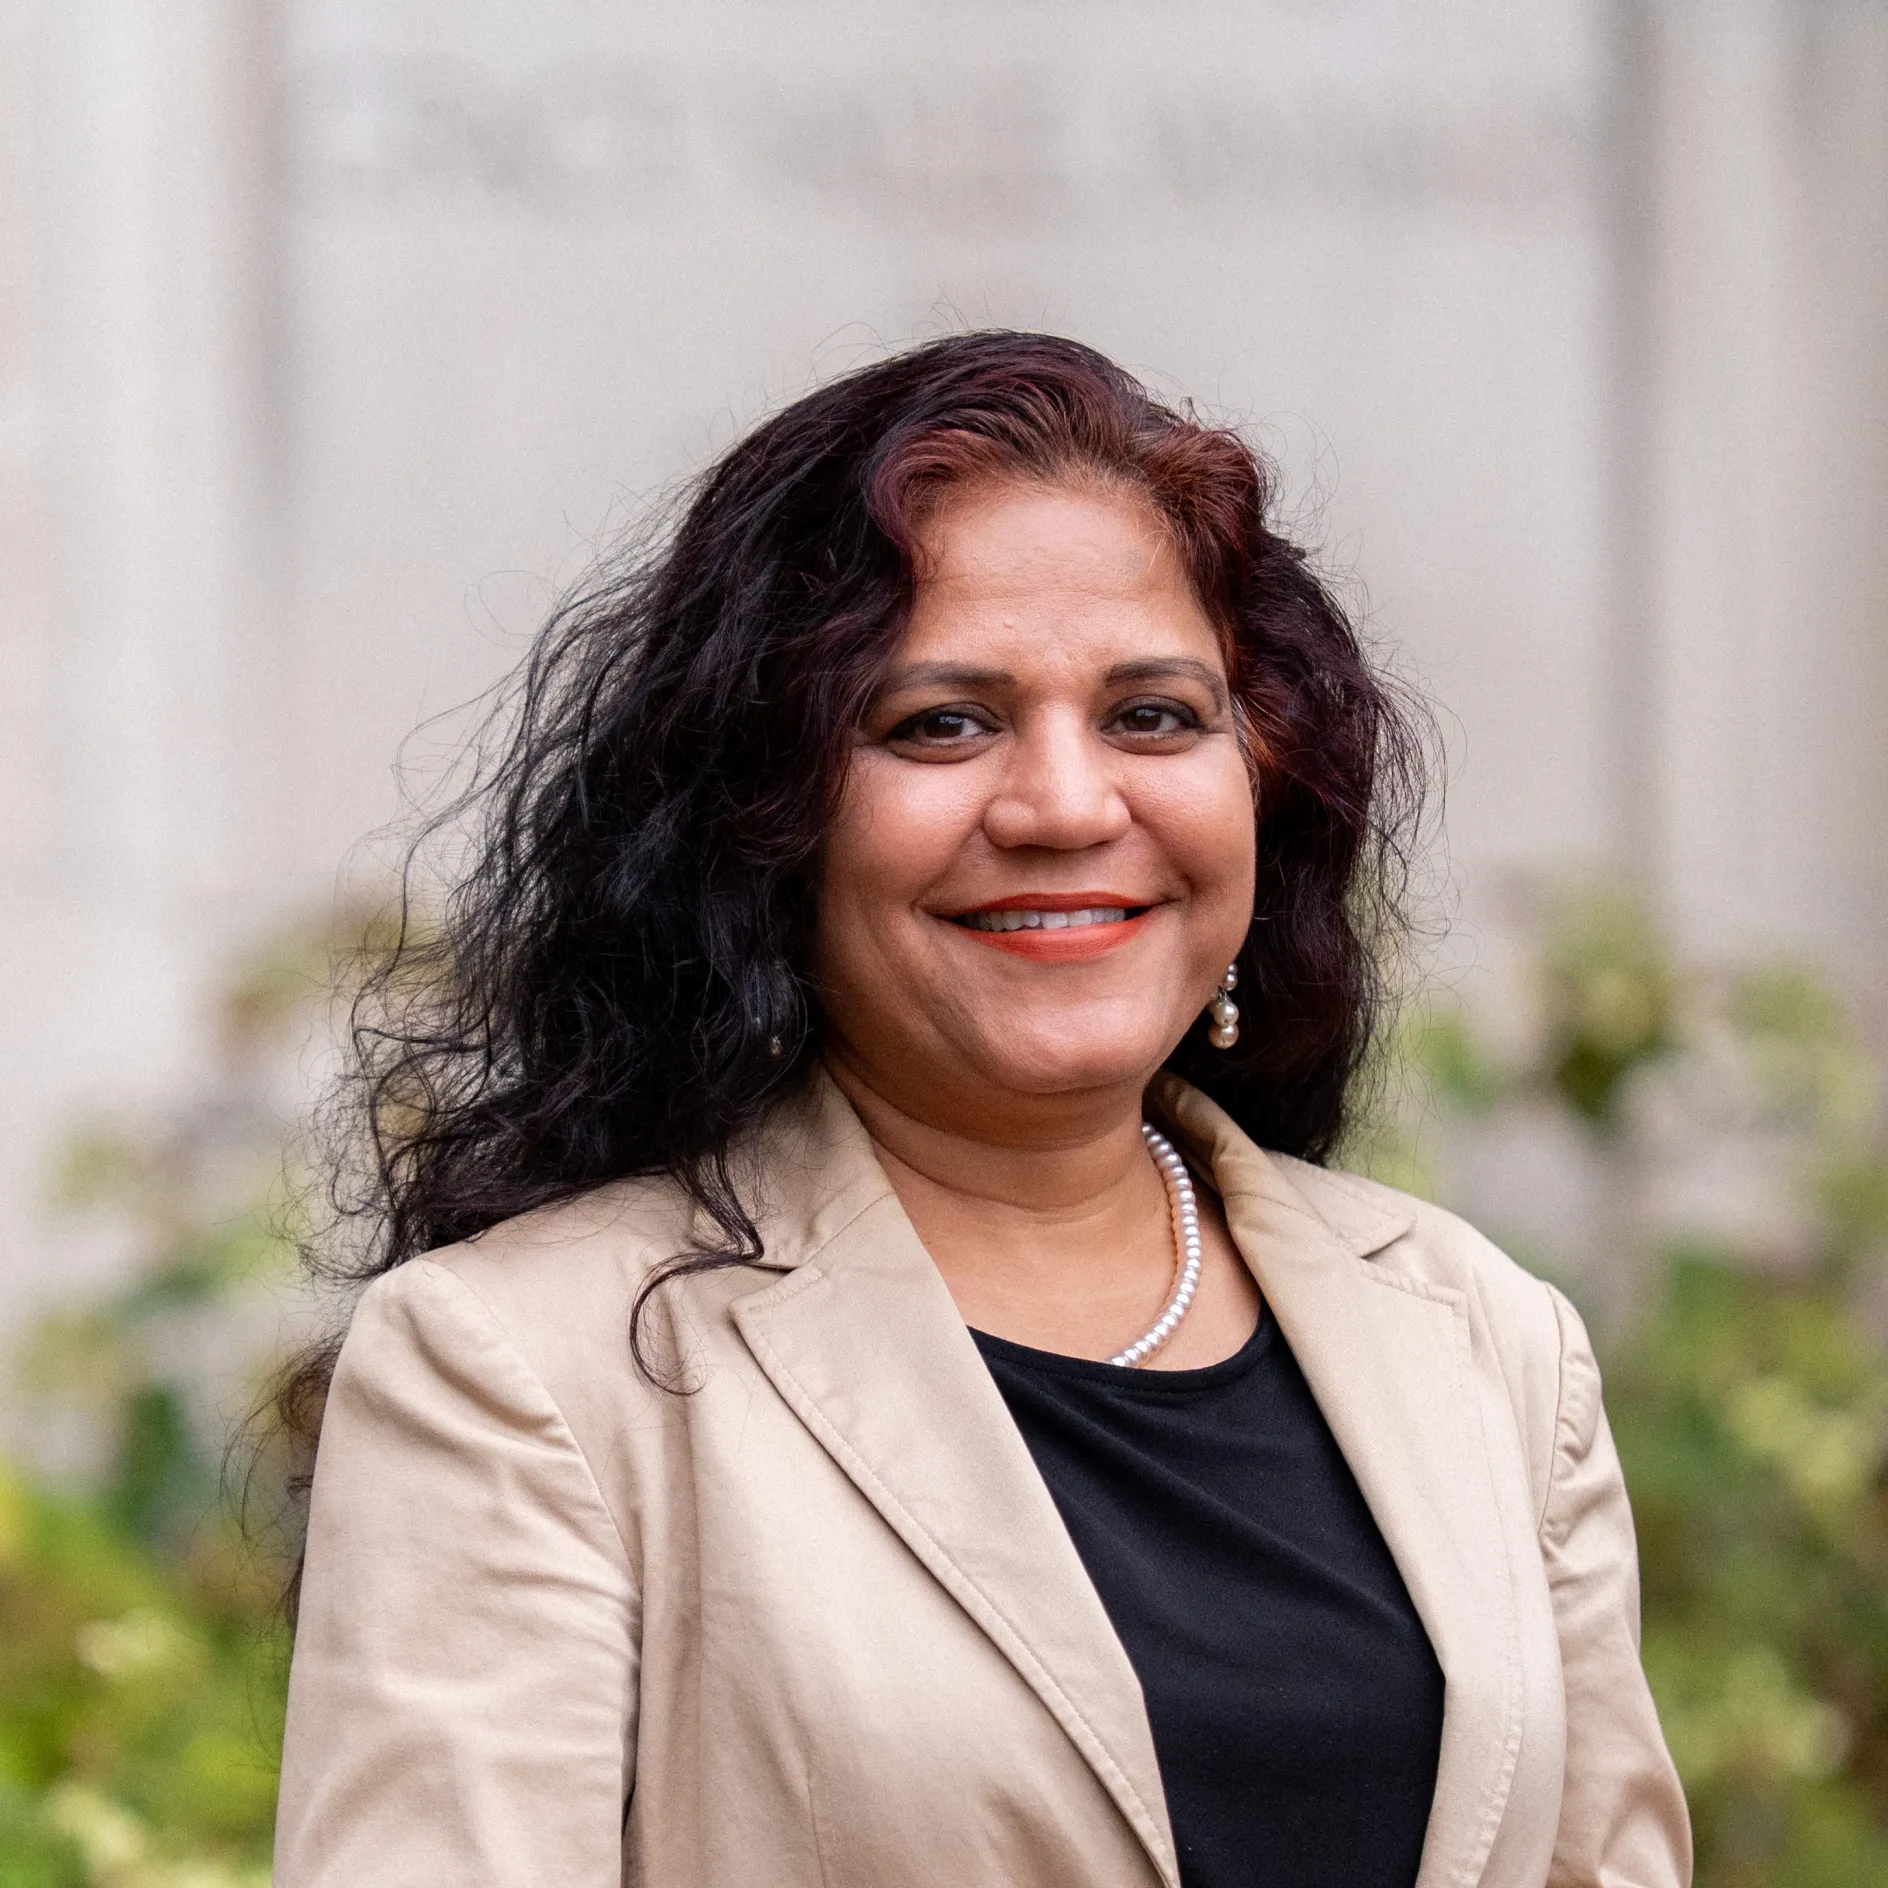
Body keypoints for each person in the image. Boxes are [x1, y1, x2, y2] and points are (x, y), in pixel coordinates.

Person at [272, 332, 1691, 1888]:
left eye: (1154, 715)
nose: (1069, 808)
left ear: (1265, 784)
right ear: (766, 817)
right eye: (941, 722)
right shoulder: (522, 1372)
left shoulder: (1486, 1342)